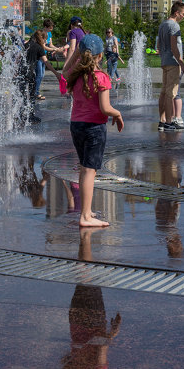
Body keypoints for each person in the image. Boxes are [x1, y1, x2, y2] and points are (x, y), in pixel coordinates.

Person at [62, 34, 124, 228]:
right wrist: (118, 113)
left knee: (84, 168)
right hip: (94, 128)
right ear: (100, 57)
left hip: (76, 125)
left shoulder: (76, 75)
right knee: (90, 171)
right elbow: (105, 108)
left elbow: (64, 72)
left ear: (81, 54)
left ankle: (86, 211)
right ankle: (85, 217)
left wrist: (74, 55)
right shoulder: (101, 77)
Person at [157, 2, 184, 131]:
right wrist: (182, 63)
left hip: (165, 61)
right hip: (173, 63)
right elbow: (174, 47)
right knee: (171, 93)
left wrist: (163, 57)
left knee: (164, 92)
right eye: (183, 14)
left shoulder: (162, 24)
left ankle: (162, 120)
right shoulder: (174, 26)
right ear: (176, 13)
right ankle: (169, 122)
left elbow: (159, 45)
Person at [25, 28, 54, 102]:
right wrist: (56, 73)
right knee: (31, 97)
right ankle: (31, 110)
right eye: (44, 39)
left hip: (22, 71)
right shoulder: (39, 48)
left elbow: (18, 58)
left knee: (22, 95)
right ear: (41, 38)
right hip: (31, 73)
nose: (45, 41)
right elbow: (46, 62)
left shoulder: (26, 45)